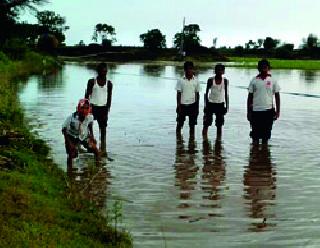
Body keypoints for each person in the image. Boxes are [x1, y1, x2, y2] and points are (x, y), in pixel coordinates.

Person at [247, 59, 280, 145]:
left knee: (266, 137)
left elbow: (277, 96)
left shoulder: (273, 80)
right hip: (256, 111)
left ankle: (265, 157)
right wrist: (248, 112)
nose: (263, 69)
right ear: (258, 68)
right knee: (255, 137)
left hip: (268, 111)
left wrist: (278, 111)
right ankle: (255, 156)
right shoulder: (254, 80)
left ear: (268, 68)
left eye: (265, 67)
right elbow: (249, 97)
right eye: (261, 67)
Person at [62, 99, 100, 169]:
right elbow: (64, 129)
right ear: (79, 108)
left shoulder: (90, 117)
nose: (84, 110)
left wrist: (92, 137)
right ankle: (70, 171)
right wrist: (69, 143)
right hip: (72, 136)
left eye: (86, 108)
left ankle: (98, 168)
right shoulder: (71, 118)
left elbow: (90, 126)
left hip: (84, 136)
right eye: (82, 108)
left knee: (95, 150)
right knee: (72, 154)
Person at [85, 62, 113, 154]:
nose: (104, 73)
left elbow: (109, 97)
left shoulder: (109, 84)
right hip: (92, 107)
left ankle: (103, 148)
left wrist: (108, 108)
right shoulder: (92, 82)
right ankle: (92, 145)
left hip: (103, 108)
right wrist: (86, 108)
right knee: (90, 127)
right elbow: (86, 96)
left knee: (103, 129)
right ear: (98, 71)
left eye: (106, 71)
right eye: (102, 71)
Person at [202, 63, 229, 139]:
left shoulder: (225, 81)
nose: (219, 72)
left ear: (223, 71)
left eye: (221, 70)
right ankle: (204, 140)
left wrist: (227, 106)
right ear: (215, 71)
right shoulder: (210, 80)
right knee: (206, 124)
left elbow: (226, 94)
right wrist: (205, 106)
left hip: (220, 104)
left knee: (219, 125)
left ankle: (218, 141)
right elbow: (206, 93)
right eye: (217, 70)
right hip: (210, 104)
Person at [176, 61, 200, 138]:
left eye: (190, 69)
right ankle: (178, 141)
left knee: (192, 125)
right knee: (180, 124)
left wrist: (197, 106)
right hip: (182, 105)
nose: (189, 71)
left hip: (192, 105)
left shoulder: (196, 80)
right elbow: (178, 94)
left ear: (193, 69)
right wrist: (178, 106)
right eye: (187, 69)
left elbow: (197, 94)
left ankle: (191, 143)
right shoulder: (180, 80)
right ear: (184, 70)